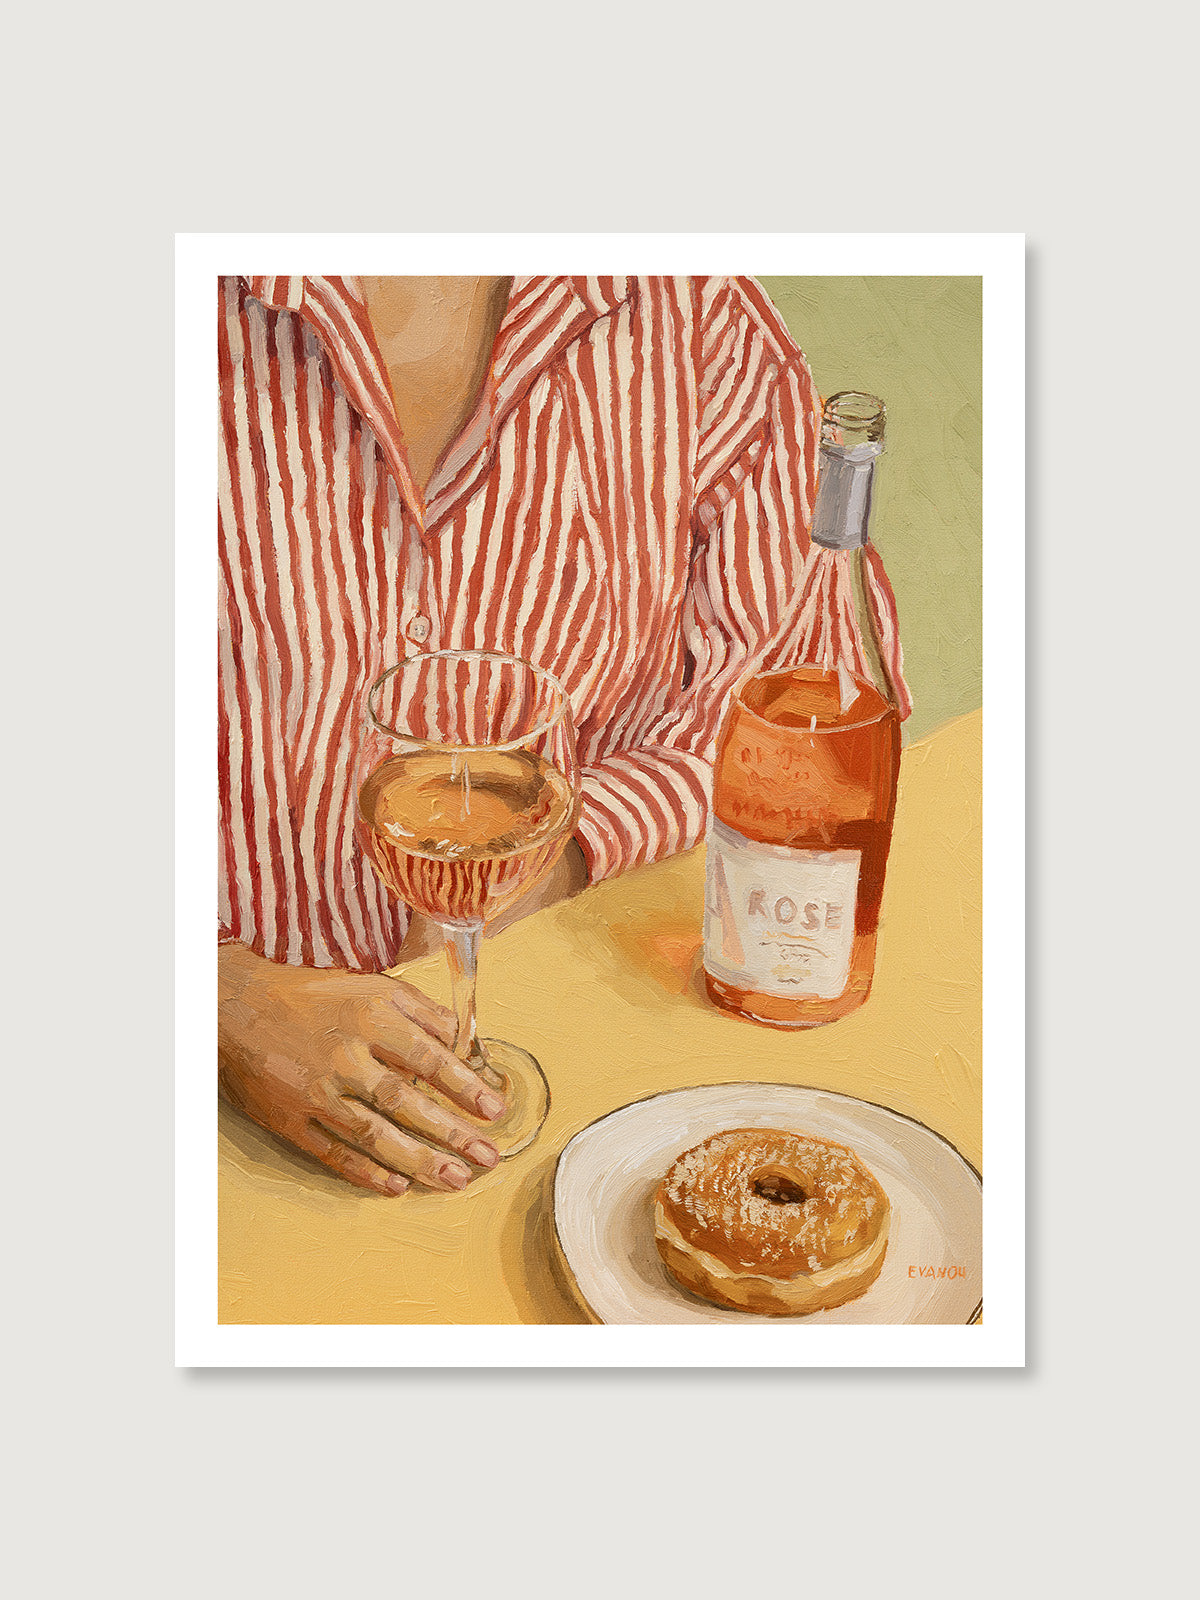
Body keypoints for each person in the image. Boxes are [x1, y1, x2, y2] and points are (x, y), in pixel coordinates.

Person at [218, 274, 884, 1196]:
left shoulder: (685, 300)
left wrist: (574, 836)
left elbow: (807, 675)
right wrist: (216, 1000)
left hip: (593, 1039)